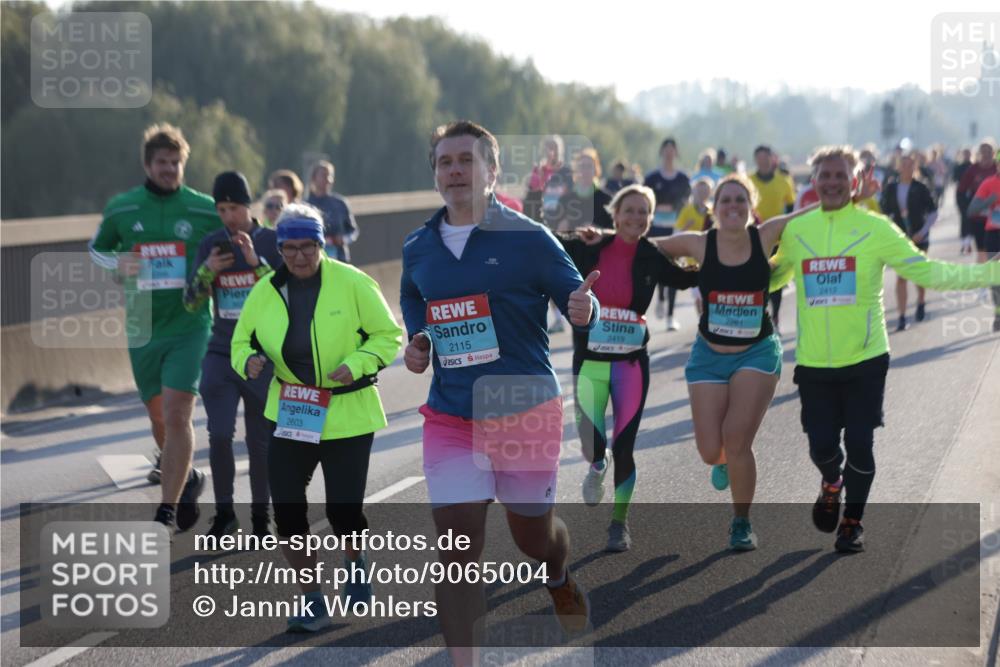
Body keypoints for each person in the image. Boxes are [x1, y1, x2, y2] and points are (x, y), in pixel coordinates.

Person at [401, 121, 597, 663]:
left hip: (523, 408)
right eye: (445, 162)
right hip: (452, 414)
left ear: (492, 171)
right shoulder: (418, 246)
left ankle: (557, 573)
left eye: (467, 160)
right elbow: (413, 297)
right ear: (435, 175)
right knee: (457, 548)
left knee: (533, 538)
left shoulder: (529, 238)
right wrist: (418, 340)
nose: (455, 170)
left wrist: (586, 310)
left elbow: (579, 299)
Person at [769, 145, 1000, 553]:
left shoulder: (876, 228)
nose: (833, 182)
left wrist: (991, 272)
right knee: (822, 447)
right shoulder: (797, 231)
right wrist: (722, 271)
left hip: (866, 358)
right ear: (814, 181)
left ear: (854, 181)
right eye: (825, 175)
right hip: (814, 363)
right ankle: (831, 483)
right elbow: (772, 278)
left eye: (841, 176)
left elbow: (927, 271)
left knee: (860, 443)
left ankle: (852, 522)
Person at [231, 203, 402, 632]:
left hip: (348, 410)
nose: (299, 256)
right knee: (287, 510)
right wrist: (247, 360)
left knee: (343, 512)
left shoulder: (353, 282)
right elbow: (240, 340)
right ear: (279, 248)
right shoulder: (265, 290)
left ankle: (355, 559)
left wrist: (359, 363)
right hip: (292, 410)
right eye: (289, 248)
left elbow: (388, 335)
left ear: (321, 244)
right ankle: (311, 599)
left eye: (308, 246)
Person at [656, 174, 815, 550]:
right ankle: (725, 460)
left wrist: (853, 195)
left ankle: (741, 522)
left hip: (756, 352)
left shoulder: (764, 235)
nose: (733, 206)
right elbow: (644, 245)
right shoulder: (699, 243)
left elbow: (816, 211)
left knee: (737, 439)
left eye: (740, 199)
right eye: (725, 200)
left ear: (751, 205)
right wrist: (598, 239)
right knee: (711, 451)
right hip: (709, 357)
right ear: (714, 207)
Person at [89, 123, 221, 531]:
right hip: (143, 328)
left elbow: (230, 244)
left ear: (184, 165)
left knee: (178, 413)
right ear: (148, 165)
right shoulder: (122, 208)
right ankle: (186, 477)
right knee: (160, 416)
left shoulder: (203, 208)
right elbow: (97, 249)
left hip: (190, 326)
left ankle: (165, 512)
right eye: (162, 162)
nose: (169, 169)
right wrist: (118, 262)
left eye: (175, 162)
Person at [558, 184, 698, 551]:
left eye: (643, 212)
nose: (637, 217)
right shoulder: (591, 246)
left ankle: (619, 524)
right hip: (590, 361)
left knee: (625, 446)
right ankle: (596, 465)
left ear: (650, 219)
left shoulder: (651, 254)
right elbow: (550, 245)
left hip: (631, 365)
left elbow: (685, 279)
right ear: (616, 214)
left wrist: (724, 256)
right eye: (630, 210)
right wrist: (576, 234)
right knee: (592, 444)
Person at [183, 172, 282, 538]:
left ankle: (261, 519)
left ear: (248, 205)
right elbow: (191, 302)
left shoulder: (272, 241)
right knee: (220, 434)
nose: (229, 217)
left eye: (235, 208)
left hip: (262, 357)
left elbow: (287, 296)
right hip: (221, 353)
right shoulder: (212, 245)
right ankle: (225, 514)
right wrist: (208, 270)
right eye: (222, 210)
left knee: (259, 442)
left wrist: (255, 262)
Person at [879, 152, 938, 330]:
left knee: (919, 273)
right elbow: (884, 212)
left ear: (915, 167)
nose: (907, 168)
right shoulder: (891, 188)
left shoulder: (921, 187)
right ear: (898, 167)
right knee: (902, 276)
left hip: (919, 237)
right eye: (904, 165)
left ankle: (921, 301)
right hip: (900, 238)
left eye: (911, 165)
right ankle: (902, 316)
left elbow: (933, 212)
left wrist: (923, 232)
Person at [644, 137, 691, 330]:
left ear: (676, 153)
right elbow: (644, 201)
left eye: (673, 149)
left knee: (673, 267)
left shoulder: (683, 178)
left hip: (675, 228)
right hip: (656, 228)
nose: (669, 152)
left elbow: (687, 203)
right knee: (658, 266)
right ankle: (661, 297)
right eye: (666, 149)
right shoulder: (652, 178)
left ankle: (671, 315)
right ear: (661, 152)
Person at [750, 145, 796, 332]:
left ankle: (775, 316)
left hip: (777, 237)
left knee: (776, 279)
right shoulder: (748, 180)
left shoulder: (783, 181)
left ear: (772, 159)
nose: (763, 161)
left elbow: (791, 206)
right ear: (755, 160)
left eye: (766, 157)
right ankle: (760, 316)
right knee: (757, 279)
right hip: (755, 237)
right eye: (759, 158)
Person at [967, 155, 1000, 332]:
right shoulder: (988, 183)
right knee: (995, 276)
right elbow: (971, 210)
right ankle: (998, 313)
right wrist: (989, 201)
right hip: (994, 234)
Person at [548, 147, 613, 232]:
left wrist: (598, 230)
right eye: (582, 166)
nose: (585, 170)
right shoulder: (566, 199)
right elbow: (553, 227)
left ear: (596, 170)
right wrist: (561, 226)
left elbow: (614, 229)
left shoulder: (606, 199)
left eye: (589, 166)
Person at [306, 159, 359, 263]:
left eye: (330, 176)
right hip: (313, 260)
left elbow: (353, 231)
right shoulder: (305, 206)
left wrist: (343, 239)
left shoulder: (340, 203)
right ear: (313, 178)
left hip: (339, 258)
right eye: (323, 175)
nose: (328, 179)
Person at [957, 141, 998, 263]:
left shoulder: (996, 168)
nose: (986, 155)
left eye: (989, 152)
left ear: (993, 154)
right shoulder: (973, 169)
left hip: (995, 219)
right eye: (983, 152)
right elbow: (961, 191)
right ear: (979, 154)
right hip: (979, 217)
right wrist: (965, 209)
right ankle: (983, 272)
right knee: (982, 250)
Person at [523, 135, 572, 223]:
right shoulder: (538, 169)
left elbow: (567, 193)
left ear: (560, 150)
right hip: (540, 211)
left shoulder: (566, 171)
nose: (552, 151)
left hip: (559, 211)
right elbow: (532, 193)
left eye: (555, 147)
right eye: (549, 147)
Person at [952, 148, 974, 255]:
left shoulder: (974, 167)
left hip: (972, 195)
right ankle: (964, 242)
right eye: (965, 154)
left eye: (968, 153)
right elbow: (954, 179)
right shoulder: (959, 167)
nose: (966, 155)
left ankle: (968, 242)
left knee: (969, 218)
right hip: (961, 194)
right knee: (964, 217)